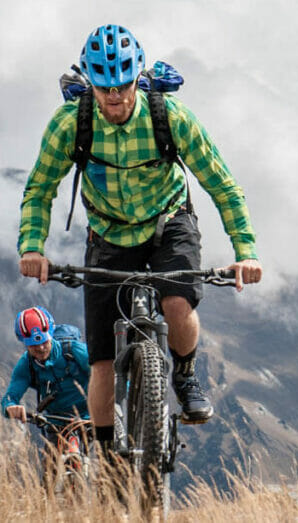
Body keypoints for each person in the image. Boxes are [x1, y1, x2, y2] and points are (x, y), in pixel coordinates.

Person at [18, 24, 262, 457]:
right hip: (108, 234)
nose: (114, 97)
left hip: (169, 222)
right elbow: (39, 189)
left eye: (123, 86)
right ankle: (110, 462)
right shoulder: (70, 124)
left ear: (137, 78)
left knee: (177, 302)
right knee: (101, 364)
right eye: (104, 88)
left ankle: (184, 374)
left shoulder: (170, 117)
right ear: (91, 82)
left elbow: (222, 185)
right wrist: (32, 247)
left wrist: (246, 253)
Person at [2, 306, 91, 435]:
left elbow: (104, 374)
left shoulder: (75, 350)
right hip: (56, 425)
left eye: (44, 342)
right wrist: (10, 407)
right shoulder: (26, 365)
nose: (41, 348)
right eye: (34, 345)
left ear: (51, 335)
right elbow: (10, 397)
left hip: (91, 418)